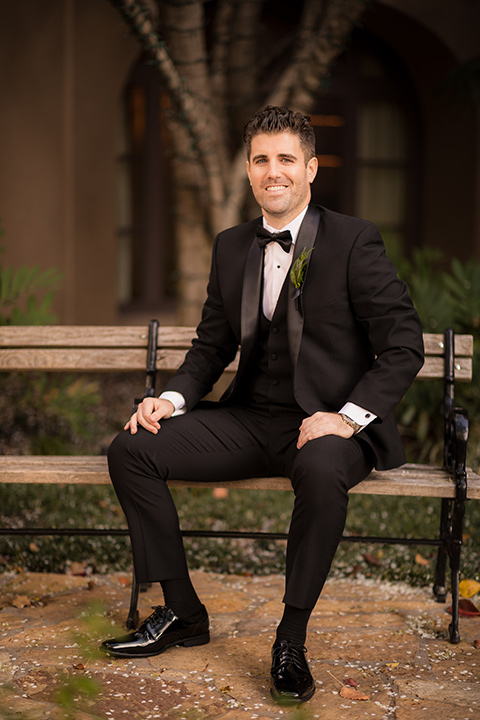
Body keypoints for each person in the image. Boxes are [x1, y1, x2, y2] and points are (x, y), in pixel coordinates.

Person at [101, 106, 424, 704]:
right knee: (131, 448)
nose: (272, 172)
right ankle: (182, 611)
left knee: (325, 471)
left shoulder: (354, 241)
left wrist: (346, 418)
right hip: (250, 418)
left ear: (310, 169)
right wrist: (169, 400)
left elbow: (403, 346)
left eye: (285, 160)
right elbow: (211, 345)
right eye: (260, 160)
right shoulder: (231, 247)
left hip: (328, 426)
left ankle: (291, 640)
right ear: (249, 171)